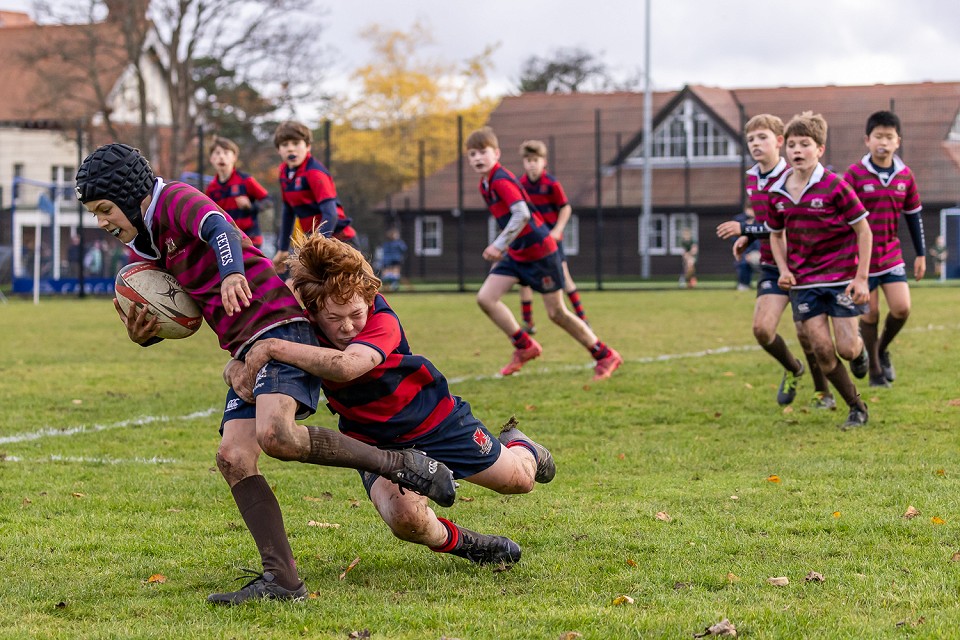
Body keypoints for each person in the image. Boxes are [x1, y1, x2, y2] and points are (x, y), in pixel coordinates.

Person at [75, 143, 455, 605]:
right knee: (234, 457)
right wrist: (146, 334)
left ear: (131, 195)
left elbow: (219, 226)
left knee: (276, 435)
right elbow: (185, 312)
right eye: (94, 213)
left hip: (279, 324)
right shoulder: (145, 245)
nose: (101, 221)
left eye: (104, 209)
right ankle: (283, 581)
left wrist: (233, 271)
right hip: (246, 347)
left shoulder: (172, 197)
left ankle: (403, 465)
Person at [227, 232, 556, 566]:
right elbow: (255, 331)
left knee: (520, 481)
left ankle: (521, 446)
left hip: (436, 421)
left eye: (355, 314)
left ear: (369, 298)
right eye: (334, 319)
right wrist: (237, 364)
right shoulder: (304, 323)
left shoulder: (382, 320)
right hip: (373, 442)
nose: (348, 327)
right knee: (406, 521)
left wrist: (270, 348)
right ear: (313, 310)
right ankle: (471, 546)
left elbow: (347, 366)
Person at [466, 127, 622, 380]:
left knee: (557, 313)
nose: (477, 158)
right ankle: (524, 346)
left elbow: (522, 214)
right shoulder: (485, 183)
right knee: (486, 298)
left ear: (496, 153)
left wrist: (499, 244)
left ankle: (604, 354)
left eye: (482, 152)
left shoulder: (501, 180)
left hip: (540, 253)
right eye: (472, 154)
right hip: (518, 253)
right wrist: (506, 246)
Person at [716, 114, 833, 409]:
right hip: (772, 264)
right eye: (751, 139)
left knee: (806, 333)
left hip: (803, 265)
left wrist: (745, 229)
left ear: (779, 142)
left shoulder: (793, 174)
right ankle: (794, 369)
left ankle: (824, 393)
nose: (756, 143)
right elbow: (768, 221)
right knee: (762, 330)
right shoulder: (752, 177)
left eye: (762, 137)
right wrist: (751, 237)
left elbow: (790, 225)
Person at [766, 112, 873, 429]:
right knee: (823, 351)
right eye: (793, 145)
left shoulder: (836, 187)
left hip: (841, 279)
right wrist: (783, 269)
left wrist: (862, 277)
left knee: (846, 348)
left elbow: (864, 231)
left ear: (820, 150)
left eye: (805, 144)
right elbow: (775, 235)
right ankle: (857, 408)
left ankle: (861, 349)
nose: (797, 151)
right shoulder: (779, 192)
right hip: (804, 284)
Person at [842, 111, 925, 388]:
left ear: (897, 141)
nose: (883, 142)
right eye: (878, 136)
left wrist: (921, 254)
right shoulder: (854, 174)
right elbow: (842, 218)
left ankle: (880, 349)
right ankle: (876, 372)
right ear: (867, 140)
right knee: (870, 314)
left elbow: (913, 216)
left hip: (891, 255)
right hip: (861, 259)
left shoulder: (905, 175)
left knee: (902, 309)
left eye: (889, 137)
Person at [516, 139, 589, 334]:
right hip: (530, 242)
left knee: (565, 278)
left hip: (550, 242)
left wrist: (557, 230)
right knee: (524, 281)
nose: (532, 163)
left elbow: (565, 207)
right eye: (528, 160)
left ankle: (582, 319)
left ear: (543, 162)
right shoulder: (520, 185)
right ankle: (528, 323)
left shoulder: (551, 184)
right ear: (524, 162)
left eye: (535, 159)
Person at [272, 120, 357, 272]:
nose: (291, 148)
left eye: (296, 143)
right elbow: (288, 211)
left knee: (348, 293)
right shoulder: (284, 173)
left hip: (340, 240)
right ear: (278, 150)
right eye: (285, 145)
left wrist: (317, 245)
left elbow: (331, 215)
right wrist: (283, 248)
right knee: (298, 288)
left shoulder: (314, 173)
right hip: (314, 241)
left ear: (308, 146)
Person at [205, 136, 271, 250]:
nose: (221, 156)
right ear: (211, 159)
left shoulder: (245, 180)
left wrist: (250, 206)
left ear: (234, 157)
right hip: (227, 241)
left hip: (251, 238)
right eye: (217, 153)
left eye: (226, 153)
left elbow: (268, 201)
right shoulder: (211, 189)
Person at [732, 205, 760, 291]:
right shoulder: (739, 220)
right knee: (742, 262)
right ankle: (744, 284)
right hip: (745, 252)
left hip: (760, 252)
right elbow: (735, 239)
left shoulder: (761, 219)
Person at [378, 227, 407, 292]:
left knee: (395, 272)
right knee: (389, 273)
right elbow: (404, 249)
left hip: (395, 260)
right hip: (390, 260)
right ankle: (389, 284)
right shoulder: (390, 243)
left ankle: (393, 285)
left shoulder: (398, 243)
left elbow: (404, 249)